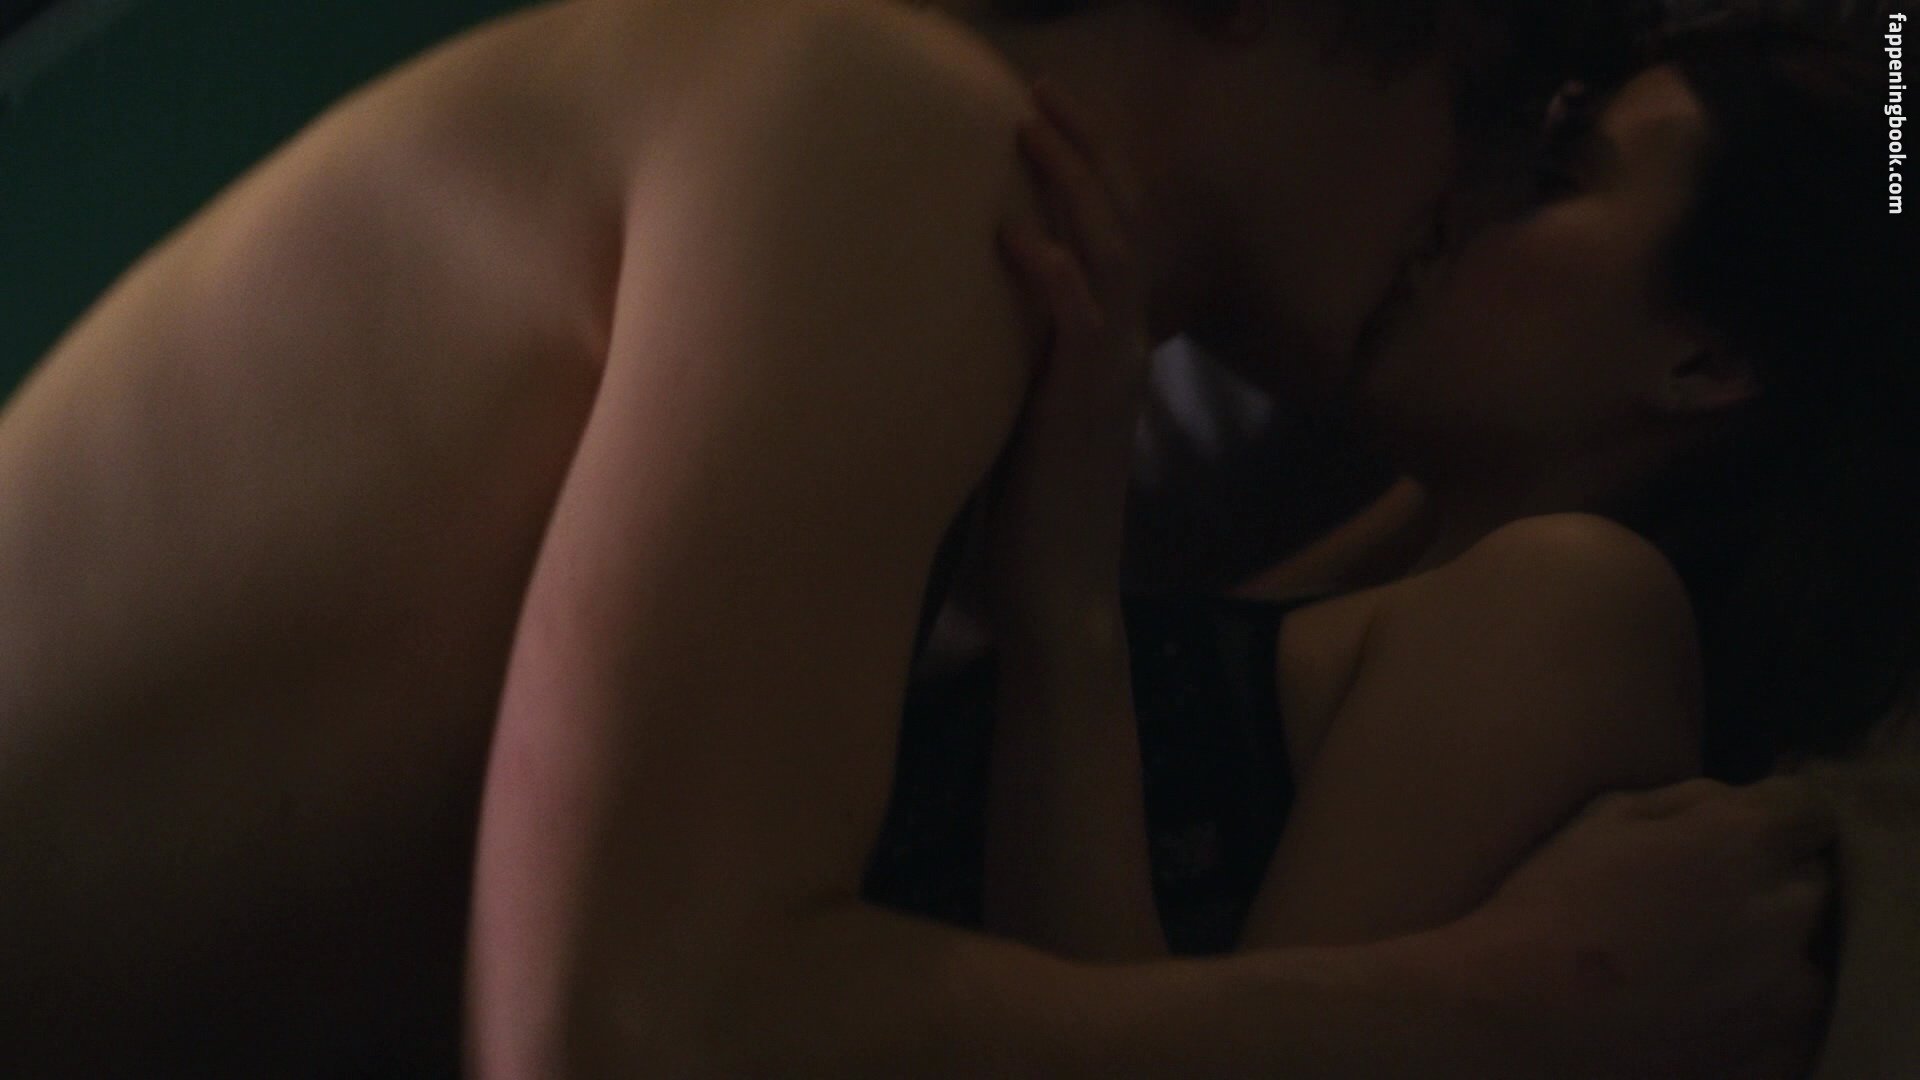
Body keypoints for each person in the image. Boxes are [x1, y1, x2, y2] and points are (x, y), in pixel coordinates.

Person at [0, 0, 1832, 1075]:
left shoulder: (943, 272)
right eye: (1506, 104)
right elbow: (626, 1036)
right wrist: (1506, 1012)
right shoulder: (901, 133)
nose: (1482, 202)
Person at [874, 6, 1897, 1060]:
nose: (1459, 211)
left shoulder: (1574, 606)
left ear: (1704, 364)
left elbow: (1138, 1046)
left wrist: (1062, 601)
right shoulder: (1423, 572)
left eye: (1553, 181)